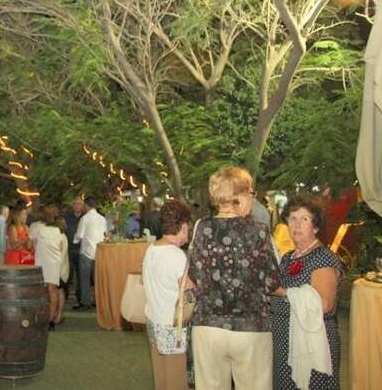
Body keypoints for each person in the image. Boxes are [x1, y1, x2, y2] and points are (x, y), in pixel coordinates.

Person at [189, 167, 280, 390]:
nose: (252, 199)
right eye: (251, 193)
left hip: (208, 326)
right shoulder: (259, 230)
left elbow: (194, 274)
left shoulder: (201, 227)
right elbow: (272, 281)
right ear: (239, 195)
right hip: (251, 327)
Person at [270, 198, 344, 390]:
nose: (297, 225)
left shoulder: (323, 258)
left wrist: (280, 292)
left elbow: (324, 304)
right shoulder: (288, 257)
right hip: (283, 339)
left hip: (311, 341)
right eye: (292, 218)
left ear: (316, 226)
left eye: (304, 219)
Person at [142, 199, 192, 390]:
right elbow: (189, 290)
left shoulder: (152, 248)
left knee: (161, 378)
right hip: (172, 326)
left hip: (154, 321)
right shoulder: (175, 255)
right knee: (176, 379)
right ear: (183, 226)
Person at [34, 205, 69, 330]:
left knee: (48, 291)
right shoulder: (58, 233)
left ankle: (50, 317)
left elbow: (32, 246)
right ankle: (52, 319)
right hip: (55, 265)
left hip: (47, 265)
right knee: (54, 291)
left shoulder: (39, 229)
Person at [73, 197, 105, 309]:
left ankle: (85, 302)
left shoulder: (85, 218)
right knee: (97, 279)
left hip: (86, 252)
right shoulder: (102, 218)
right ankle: (98, 301)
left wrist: (74, 241)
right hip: (99, 251)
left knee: (85, 279)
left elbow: (79, 235)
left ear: (86, 205)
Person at [64, 197, 84, 303]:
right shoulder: (66, 217)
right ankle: (65, 296)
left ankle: (80, 297)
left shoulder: (85, 217)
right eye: (75, 204)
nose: (77, 206)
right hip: (69, 249)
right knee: (68, 274)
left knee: (81, 275)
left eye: (79, 204)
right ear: (72, 206)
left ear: (83, 205)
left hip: (82, 249)